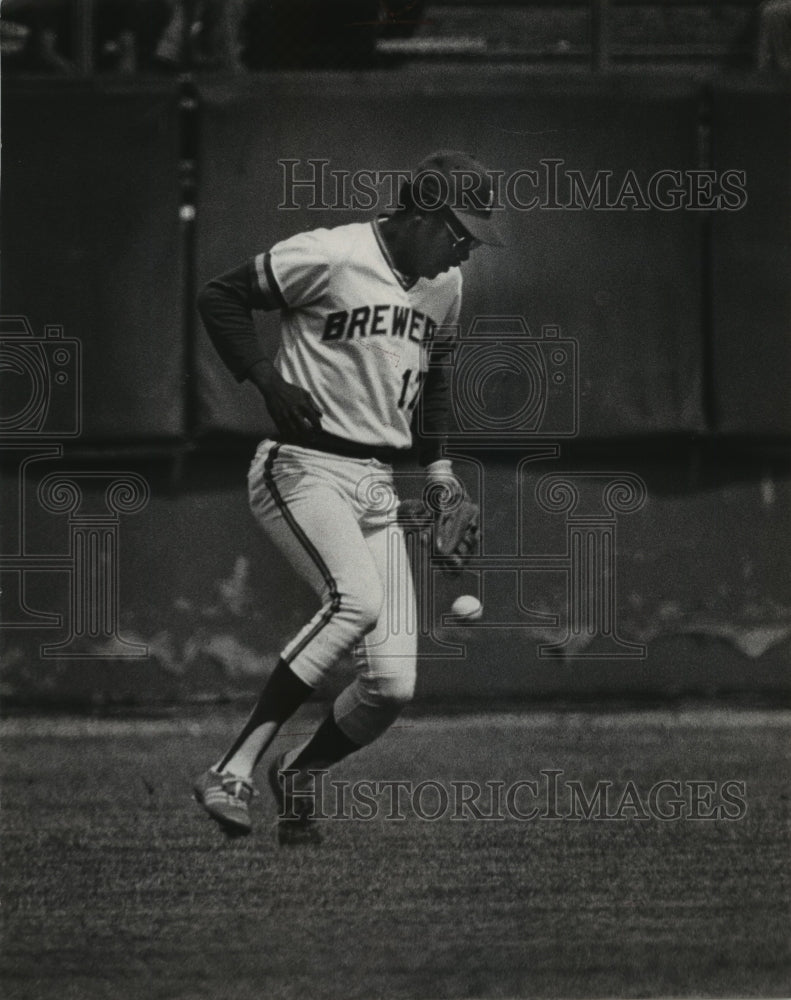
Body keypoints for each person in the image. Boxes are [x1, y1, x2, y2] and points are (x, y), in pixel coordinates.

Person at [193, 150, 503, 842]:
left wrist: (441, 479)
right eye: (460, 232)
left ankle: (298, 772)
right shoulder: (331, 254)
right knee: (355, 601)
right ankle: (231, 770)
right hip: (301, 467)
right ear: (422, 213)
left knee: (392, 685)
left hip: (375, 482)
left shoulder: (443, 285)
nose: (466, 250)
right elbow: (221, 295)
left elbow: (436, 379)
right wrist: (267, 381)